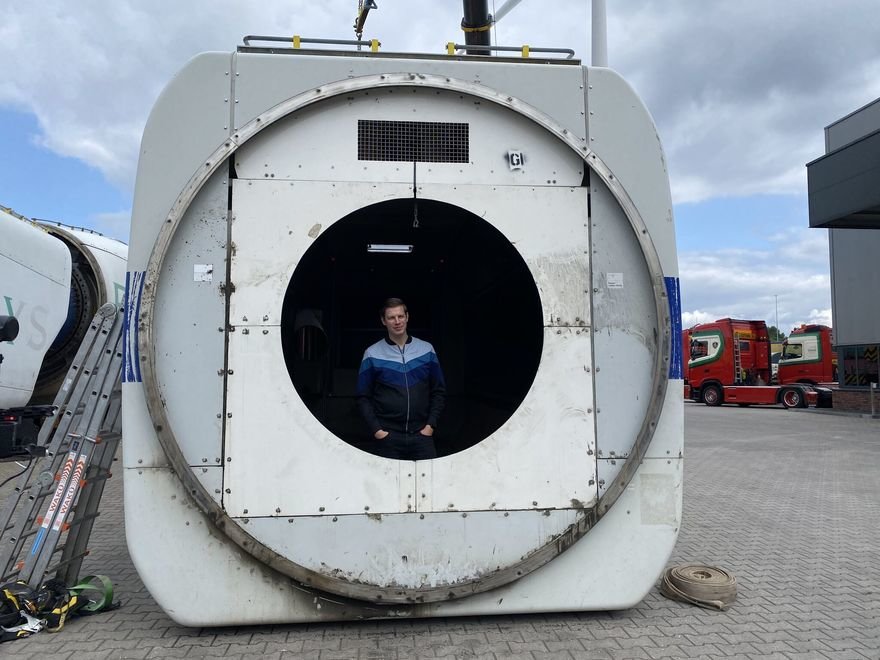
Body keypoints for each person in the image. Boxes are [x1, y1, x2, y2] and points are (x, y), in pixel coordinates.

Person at [357, 298, 445, 460]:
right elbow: (363, 396)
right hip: (388, 438)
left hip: (422, 436)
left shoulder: (427, 350)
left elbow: (438, 390)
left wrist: (430, 425)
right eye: (391, 317)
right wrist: (377, 430)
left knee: (429, 483)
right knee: (385, 485)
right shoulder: (372, 353)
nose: (397, 321)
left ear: (407, 317)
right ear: (384, 321)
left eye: (400, 316)